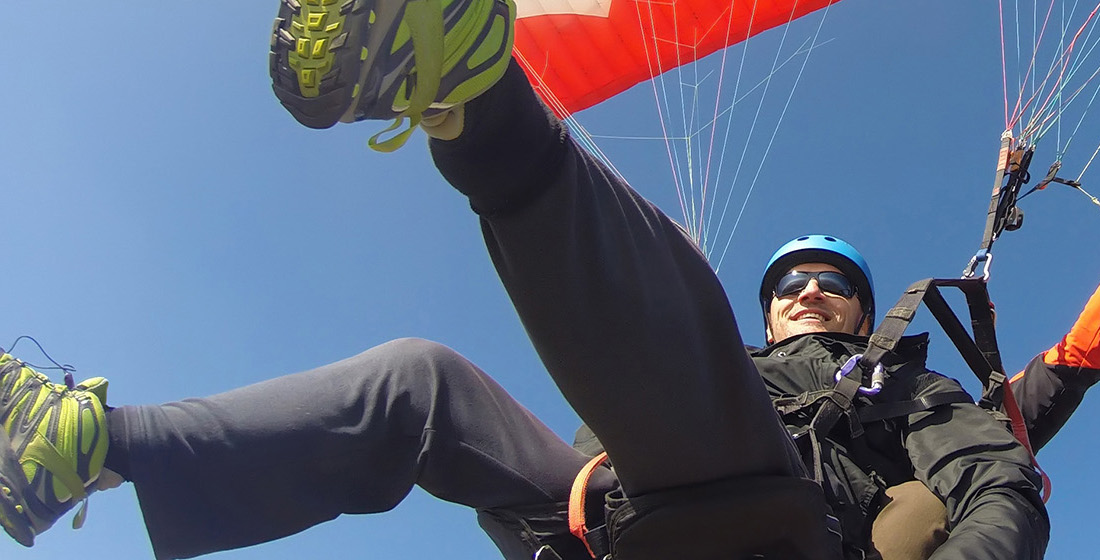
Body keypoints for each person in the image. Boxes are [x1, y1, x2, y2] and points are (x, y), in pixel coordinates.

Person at [5, 0, 1047, 558]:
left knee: (680, 308)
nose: (809, 292)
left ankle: (477, 90)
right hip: (615, 526)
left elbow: (996, 482)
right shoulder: (733, 358)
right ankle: (92, 449)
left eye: (831, 283)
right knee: (421, 383)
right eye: (793, 281)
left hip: (787, 535)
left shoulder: (899, 383)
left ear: (862, 308)